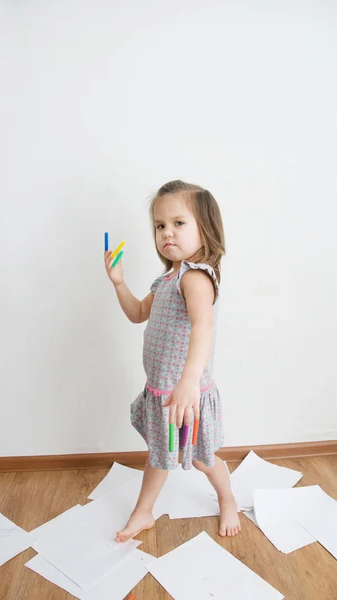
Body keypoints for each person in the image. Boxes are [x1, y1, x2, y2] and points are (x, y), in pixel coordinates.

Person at [104, 179, 241, 540]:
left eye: (179, 223)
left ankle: (227, 498)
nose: (167, 233)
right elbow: (136, 313)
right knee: (159, 454)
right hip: (164, 392)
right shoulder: (166, 279)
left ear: (205, 229)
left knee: (202, 458)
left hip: (186, 395)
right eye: (160, 226)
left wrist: (188, 382)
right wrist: (118, 283)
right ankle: (143, 511)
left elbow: (203, 329)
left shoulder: (195, 278)